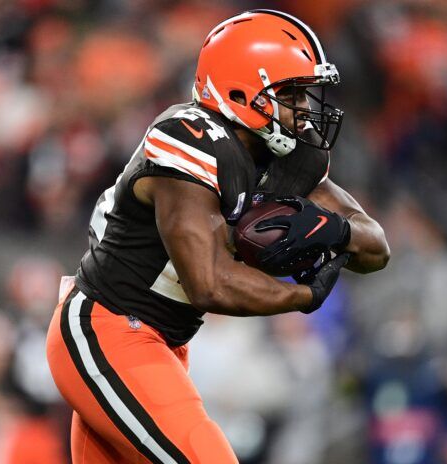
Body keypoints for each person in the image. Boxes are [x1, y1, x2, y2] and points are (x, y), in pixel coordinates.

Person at [46, 9, 389, 463]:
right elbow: (209, 282)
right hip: (108, 329)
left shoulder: (288, 154)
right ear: (241, 90)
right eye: (291, 94)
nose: (305, 110)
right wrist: (302, 296)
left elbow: (375, 246)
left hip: (162, 343)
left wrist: (332, 227)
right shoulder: (189, 140)